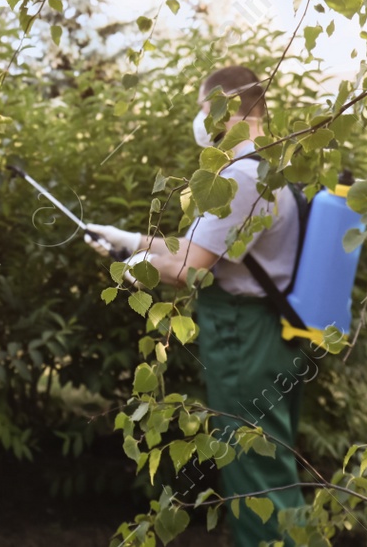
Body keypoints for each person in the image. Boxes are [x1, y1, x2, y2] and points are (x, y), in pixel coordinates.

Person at [86, 65, 306, 547]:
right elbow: (192, 249)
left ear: (226, 110)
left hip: (245, 337)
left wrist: (135, 265)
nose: (199, 122)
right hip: (261, 335)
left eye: (203, 110)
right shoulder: (258, 172)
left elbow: (189, 271)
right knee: (264, 463)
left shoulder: (242, 180)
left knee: (254, 472)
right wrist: (127, 239)